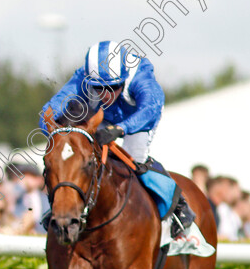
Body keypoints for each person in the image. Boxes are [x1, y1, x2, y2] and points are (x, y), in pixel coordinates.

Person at [39, 40, 194, 235]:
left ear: (123, 79)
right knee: (79, 155)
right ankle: (65, 206)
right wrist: (57, 135)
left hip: (137, 117)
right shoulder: (84, 77)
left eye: (112, 87)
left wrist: (121, 129)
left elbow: (149, 109)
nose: (105, 94)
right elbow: (50, 110)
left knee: (133, 157)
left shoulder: (140, 78)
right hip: (104, 116)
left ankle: (178, 204)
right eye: (98, 88)